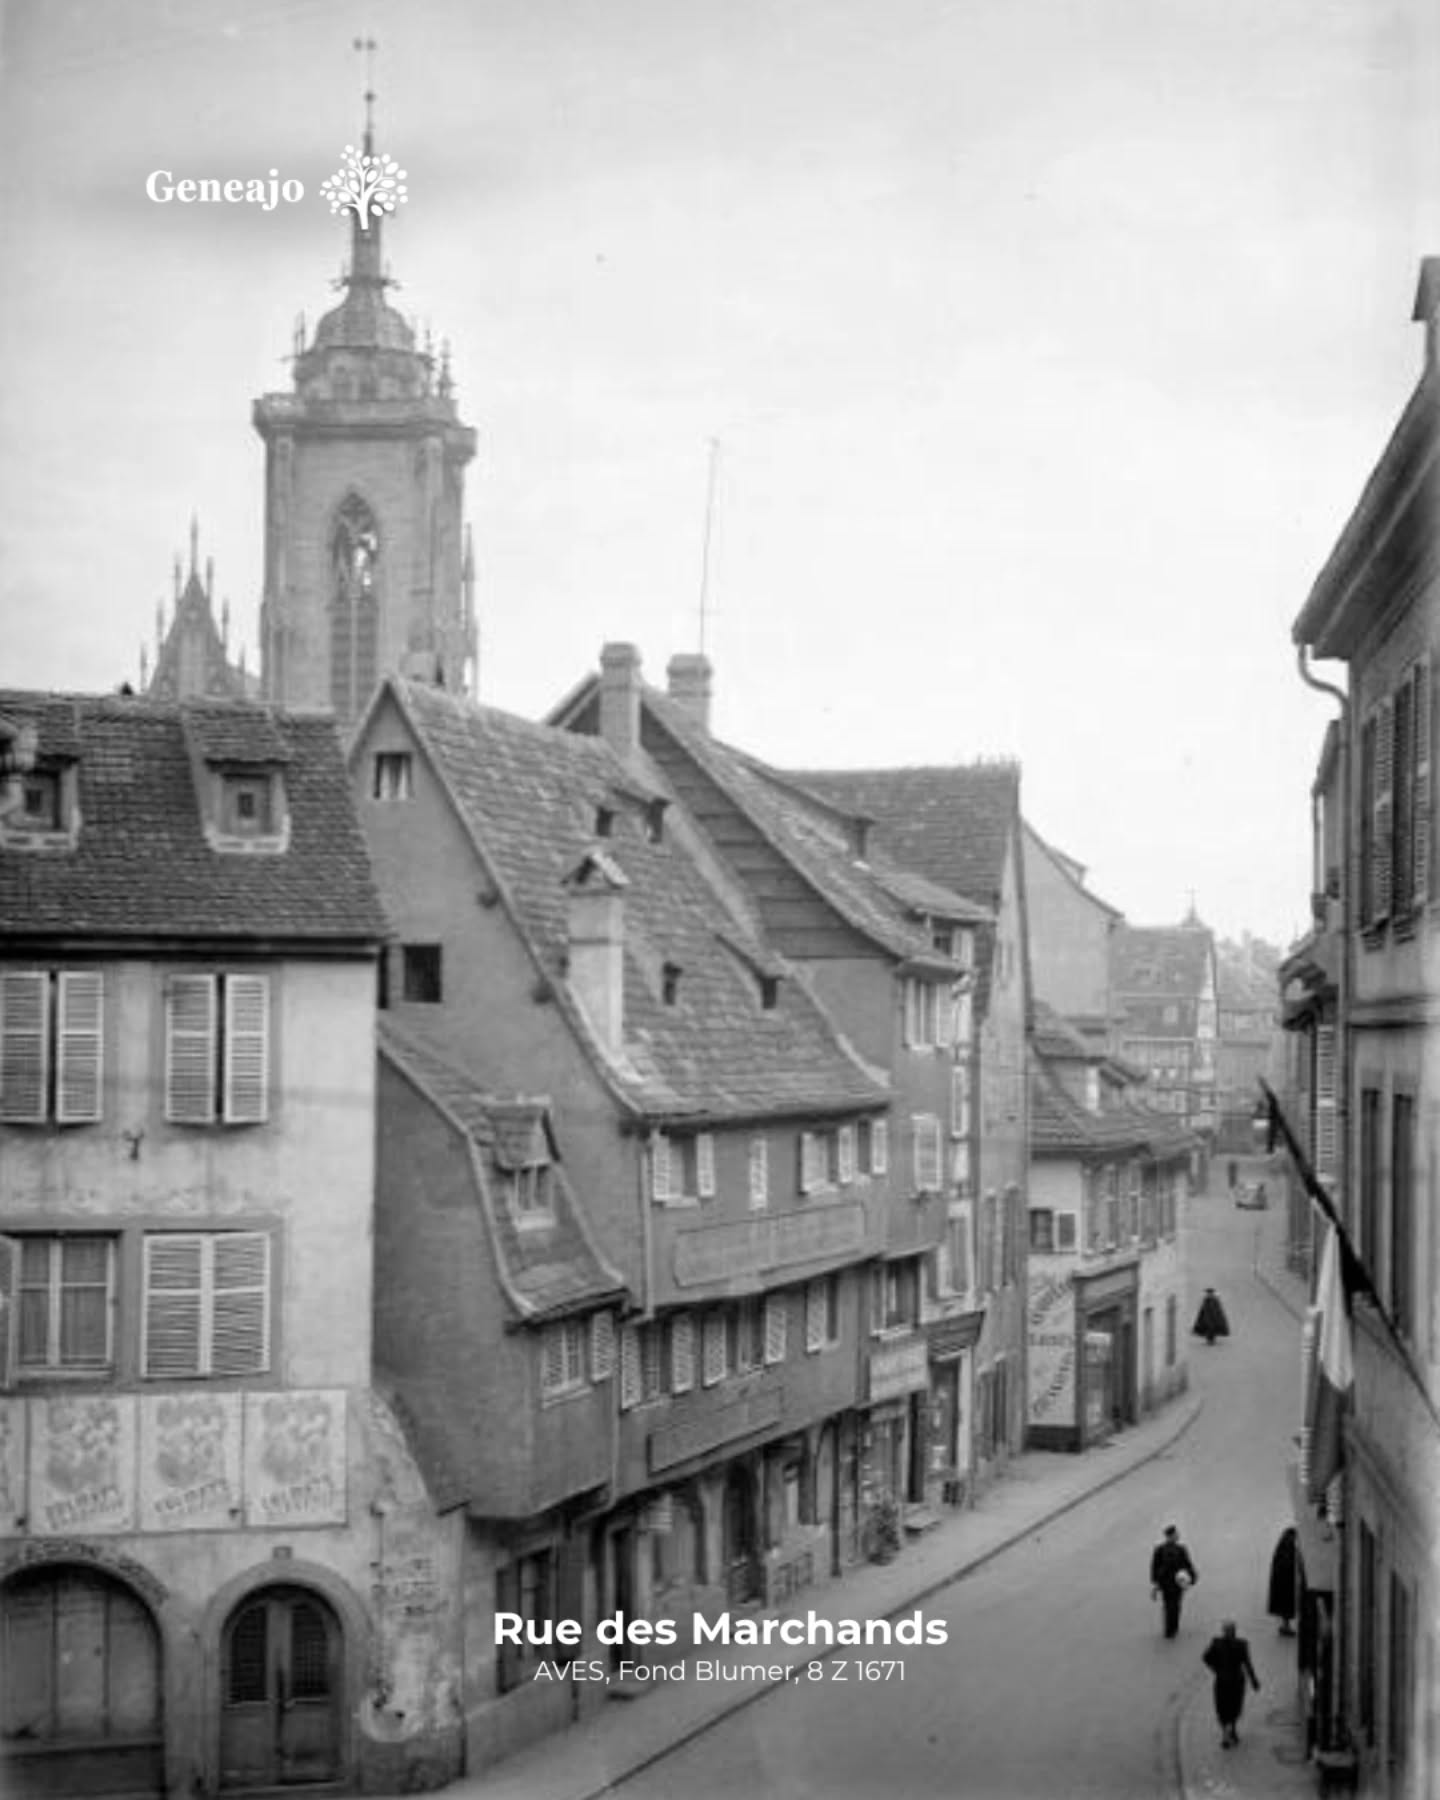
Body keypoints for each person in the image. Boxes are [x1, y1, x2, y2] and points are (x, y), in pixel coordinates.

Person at [1203, 1620, 1261, 1747]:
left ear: (1223, 1632)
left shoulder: (1216, 1643)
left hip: (1222, 1681)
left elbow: (1206, 1658)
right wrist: (1254, 1680)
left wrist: (1215, 1669)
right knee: (1234, 1706)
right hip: (1236, 1681)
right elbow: (1247, 1664)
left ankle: (1226, 1734)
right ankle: (1231, 1730)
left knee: (1223, 1707)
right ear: (1235, 1632)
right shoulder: (1241, 1644)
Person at [1150, 1524, 1199, 1638]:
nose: (1178, 1536)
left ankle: (1171, 1627)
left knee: (1171, 1605)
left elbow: (1154, 1567)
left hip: (1171, 1582)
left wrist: (1156, 1582)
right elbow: (1187, 1564)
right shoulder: (1174, 1549)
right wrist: (1193, 1577)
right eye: (1176, 1534)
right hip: (1174, 1582)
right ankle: (1172, 1627)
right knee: (1173, 1605)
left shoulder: (1166, 1549)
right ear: (1170, 1536)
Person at [1267, 1526, 1300, 1637]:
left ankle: (1285, 1626)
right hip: (1286, 1584)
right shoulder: (1288, 1548)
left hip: (1282, 1584)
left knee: (1284, 1608)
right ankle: (1285, 1627)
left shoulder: (1282, 1547)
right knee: (1286, 1607)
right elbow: (1289, 1564)